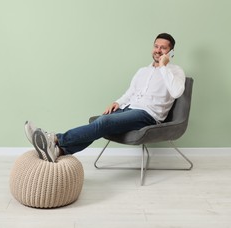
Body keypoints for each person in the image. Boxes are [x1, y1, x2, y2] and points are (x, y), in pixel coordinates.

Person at [24, 33, 186, 162]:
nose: (158, 50)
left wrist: (164, 67)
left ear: (170, 52)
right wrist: (118, 102)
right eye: (156, 46)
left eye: (163, 48)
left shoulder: (175, 72)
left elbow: (177, 92)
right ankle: (59, 151)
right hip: (128, 109)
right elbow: (130, 92)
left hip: (148, 115)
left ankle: (54, 138)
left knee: (104, 122)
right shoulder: (142, 71)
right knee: (99, 123)